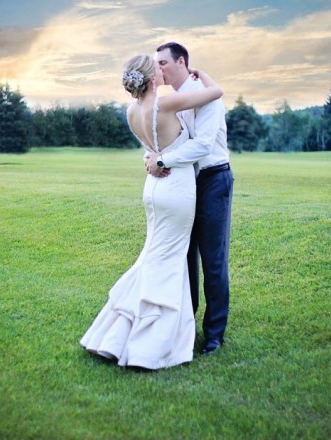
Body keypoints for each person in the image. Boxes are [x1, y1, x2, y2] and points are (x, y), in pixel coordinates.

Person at [80, 54, 224, 370]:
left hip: (153, 188)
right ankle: (154, 344)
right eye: (156, 68)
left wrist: (154, 159)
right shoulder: (166, 105)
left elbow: (151, 148)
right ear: (150, 78)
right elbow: (216, 94)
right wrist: (204, 74)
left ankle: (117, 333)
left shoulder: (133, 111)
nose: (162, 72)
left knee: (152, 256)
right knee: (169, 261)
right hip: (176, 188)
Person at [146, 42, 232, 356]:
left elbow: (204, 146)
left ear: (181, 61)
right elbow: (173, 139)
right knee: (185, 257)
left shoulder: (206, 96)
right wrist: (153, 154)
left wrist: (164, 162)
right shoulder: (177, 99)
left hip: (213, 179)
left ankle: (214, 335)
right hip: (186, 184)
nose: (159, 69)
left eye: (163, 63)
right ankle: (185, 326)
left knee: (213, 260)